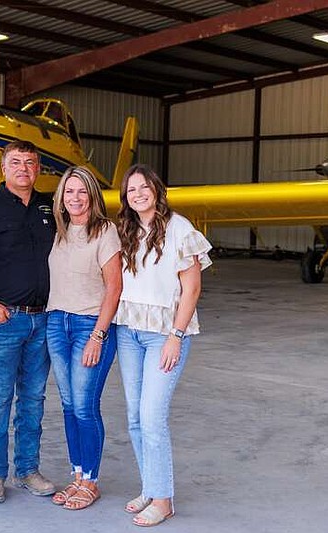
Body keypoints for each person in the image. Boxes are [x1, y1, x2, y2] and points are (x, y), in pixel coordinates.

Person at [115, 164, 212, 527]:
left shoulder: (180, 228)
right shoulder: (125, 229)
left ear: (156, 189)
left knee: (153, 417)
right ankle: (150, 487)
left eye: (144, 187)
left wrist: (176, 334)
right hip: (128, 332)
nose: (138, 194)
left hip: (163, 335)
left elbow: (193, 289)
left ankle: (164, 500)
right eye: (131, 190)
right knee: (135, 418)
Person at [0, 140, 57, 503]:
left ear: (38, 169)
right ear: (3, 169)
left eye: (30, 162)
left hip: (43, 320)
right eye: (15, 162)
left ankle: (28, 470)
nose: (23, 168)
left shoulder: (51, 207)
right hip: (3, 320)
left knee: (33, 397)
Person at [45, 166, 122, 510]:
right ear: (60, 197)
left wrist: (98, 336)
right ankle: (77, 475)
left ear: (92, 196)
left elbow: (114, 287)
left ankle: (90, 481)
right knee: (68, 406)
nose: (74, 199)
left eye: (82, 192)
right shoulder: (59, 232)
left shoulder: (105, 231)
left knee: (86, 407)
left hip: (89, 325)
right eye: (69, 192)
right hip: (56, 322)